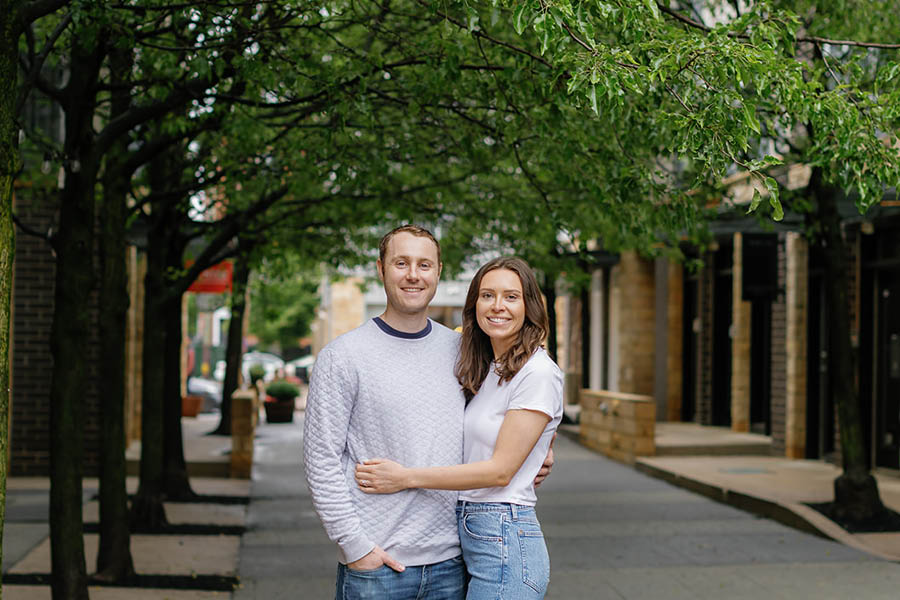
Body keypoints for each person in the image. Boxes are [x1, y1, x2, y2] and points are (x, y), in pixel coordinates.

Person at [303, 226, 552, 600]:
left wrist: (538, 452)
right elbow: (321, 459)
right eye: (401, 263)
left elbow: (504, 417)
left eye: (424, 264)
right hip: (378, 567)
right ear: (381, 269)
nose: (413, 275)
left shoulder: (463, 351)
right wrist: (355, 546)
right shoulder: (343, 357)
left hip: (455, 562)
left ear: (438, 272)